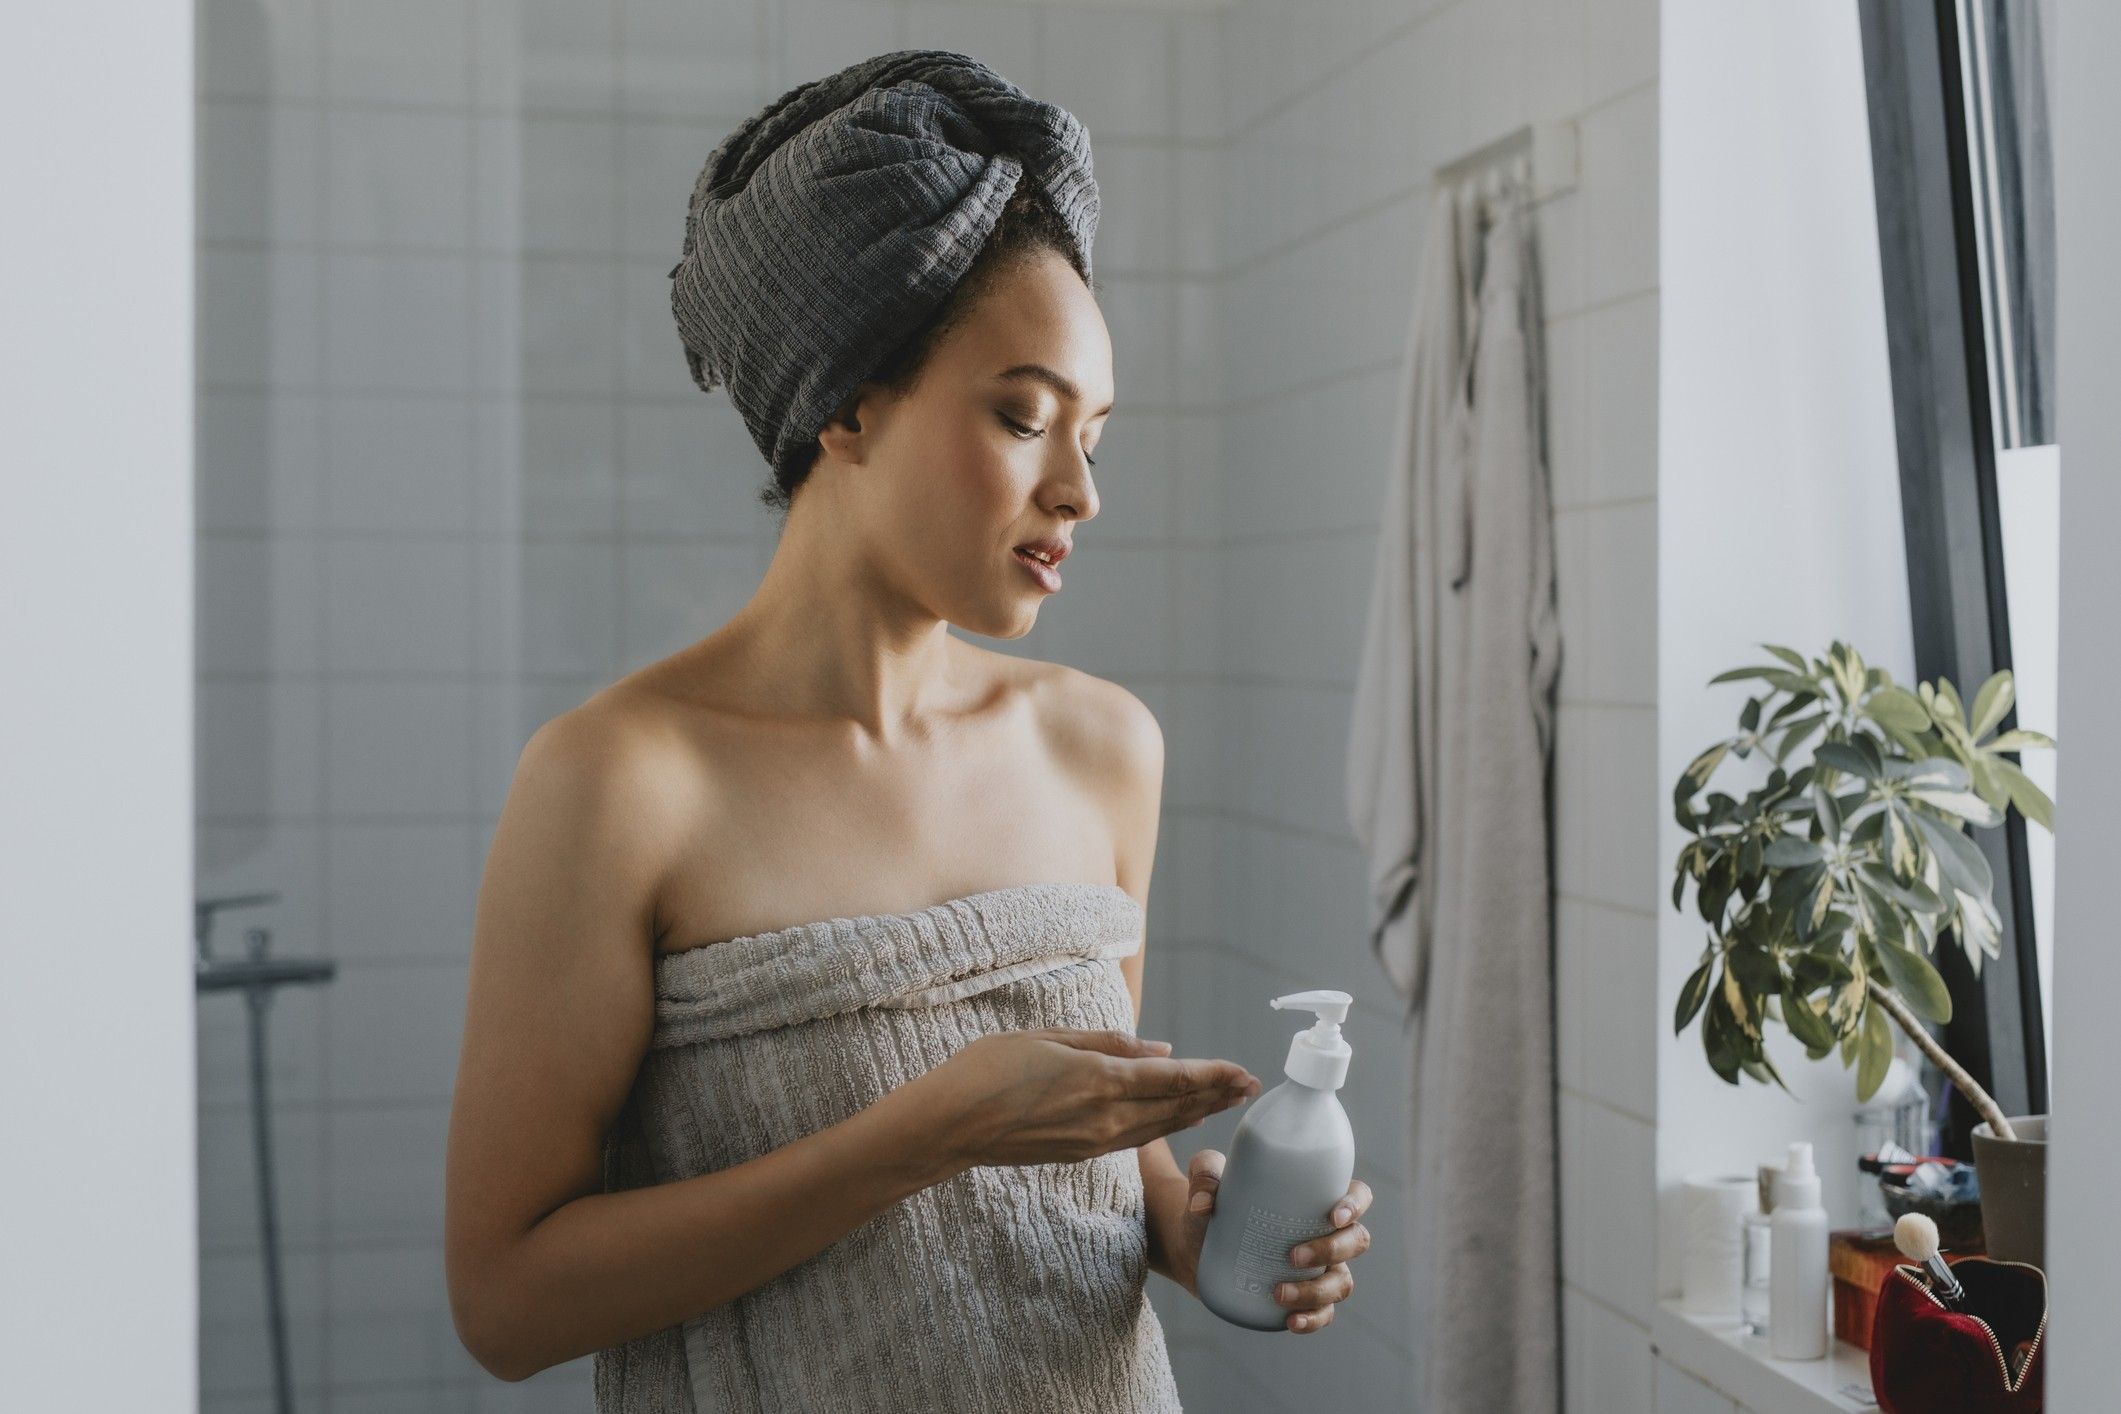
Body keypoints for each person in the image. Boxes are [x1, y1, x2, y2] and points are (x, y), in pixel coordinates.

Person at [442, 49, 1373, 1411]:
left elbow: (1089, 1162)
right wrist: (924, 1135)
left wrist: (1193, 1225)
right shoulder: (620, 784)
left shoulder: (1104, 751)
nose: (1079, 491)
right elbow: (506, 1302)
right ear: (846, 403)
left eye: (1094, 437)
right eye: (1021, 415)